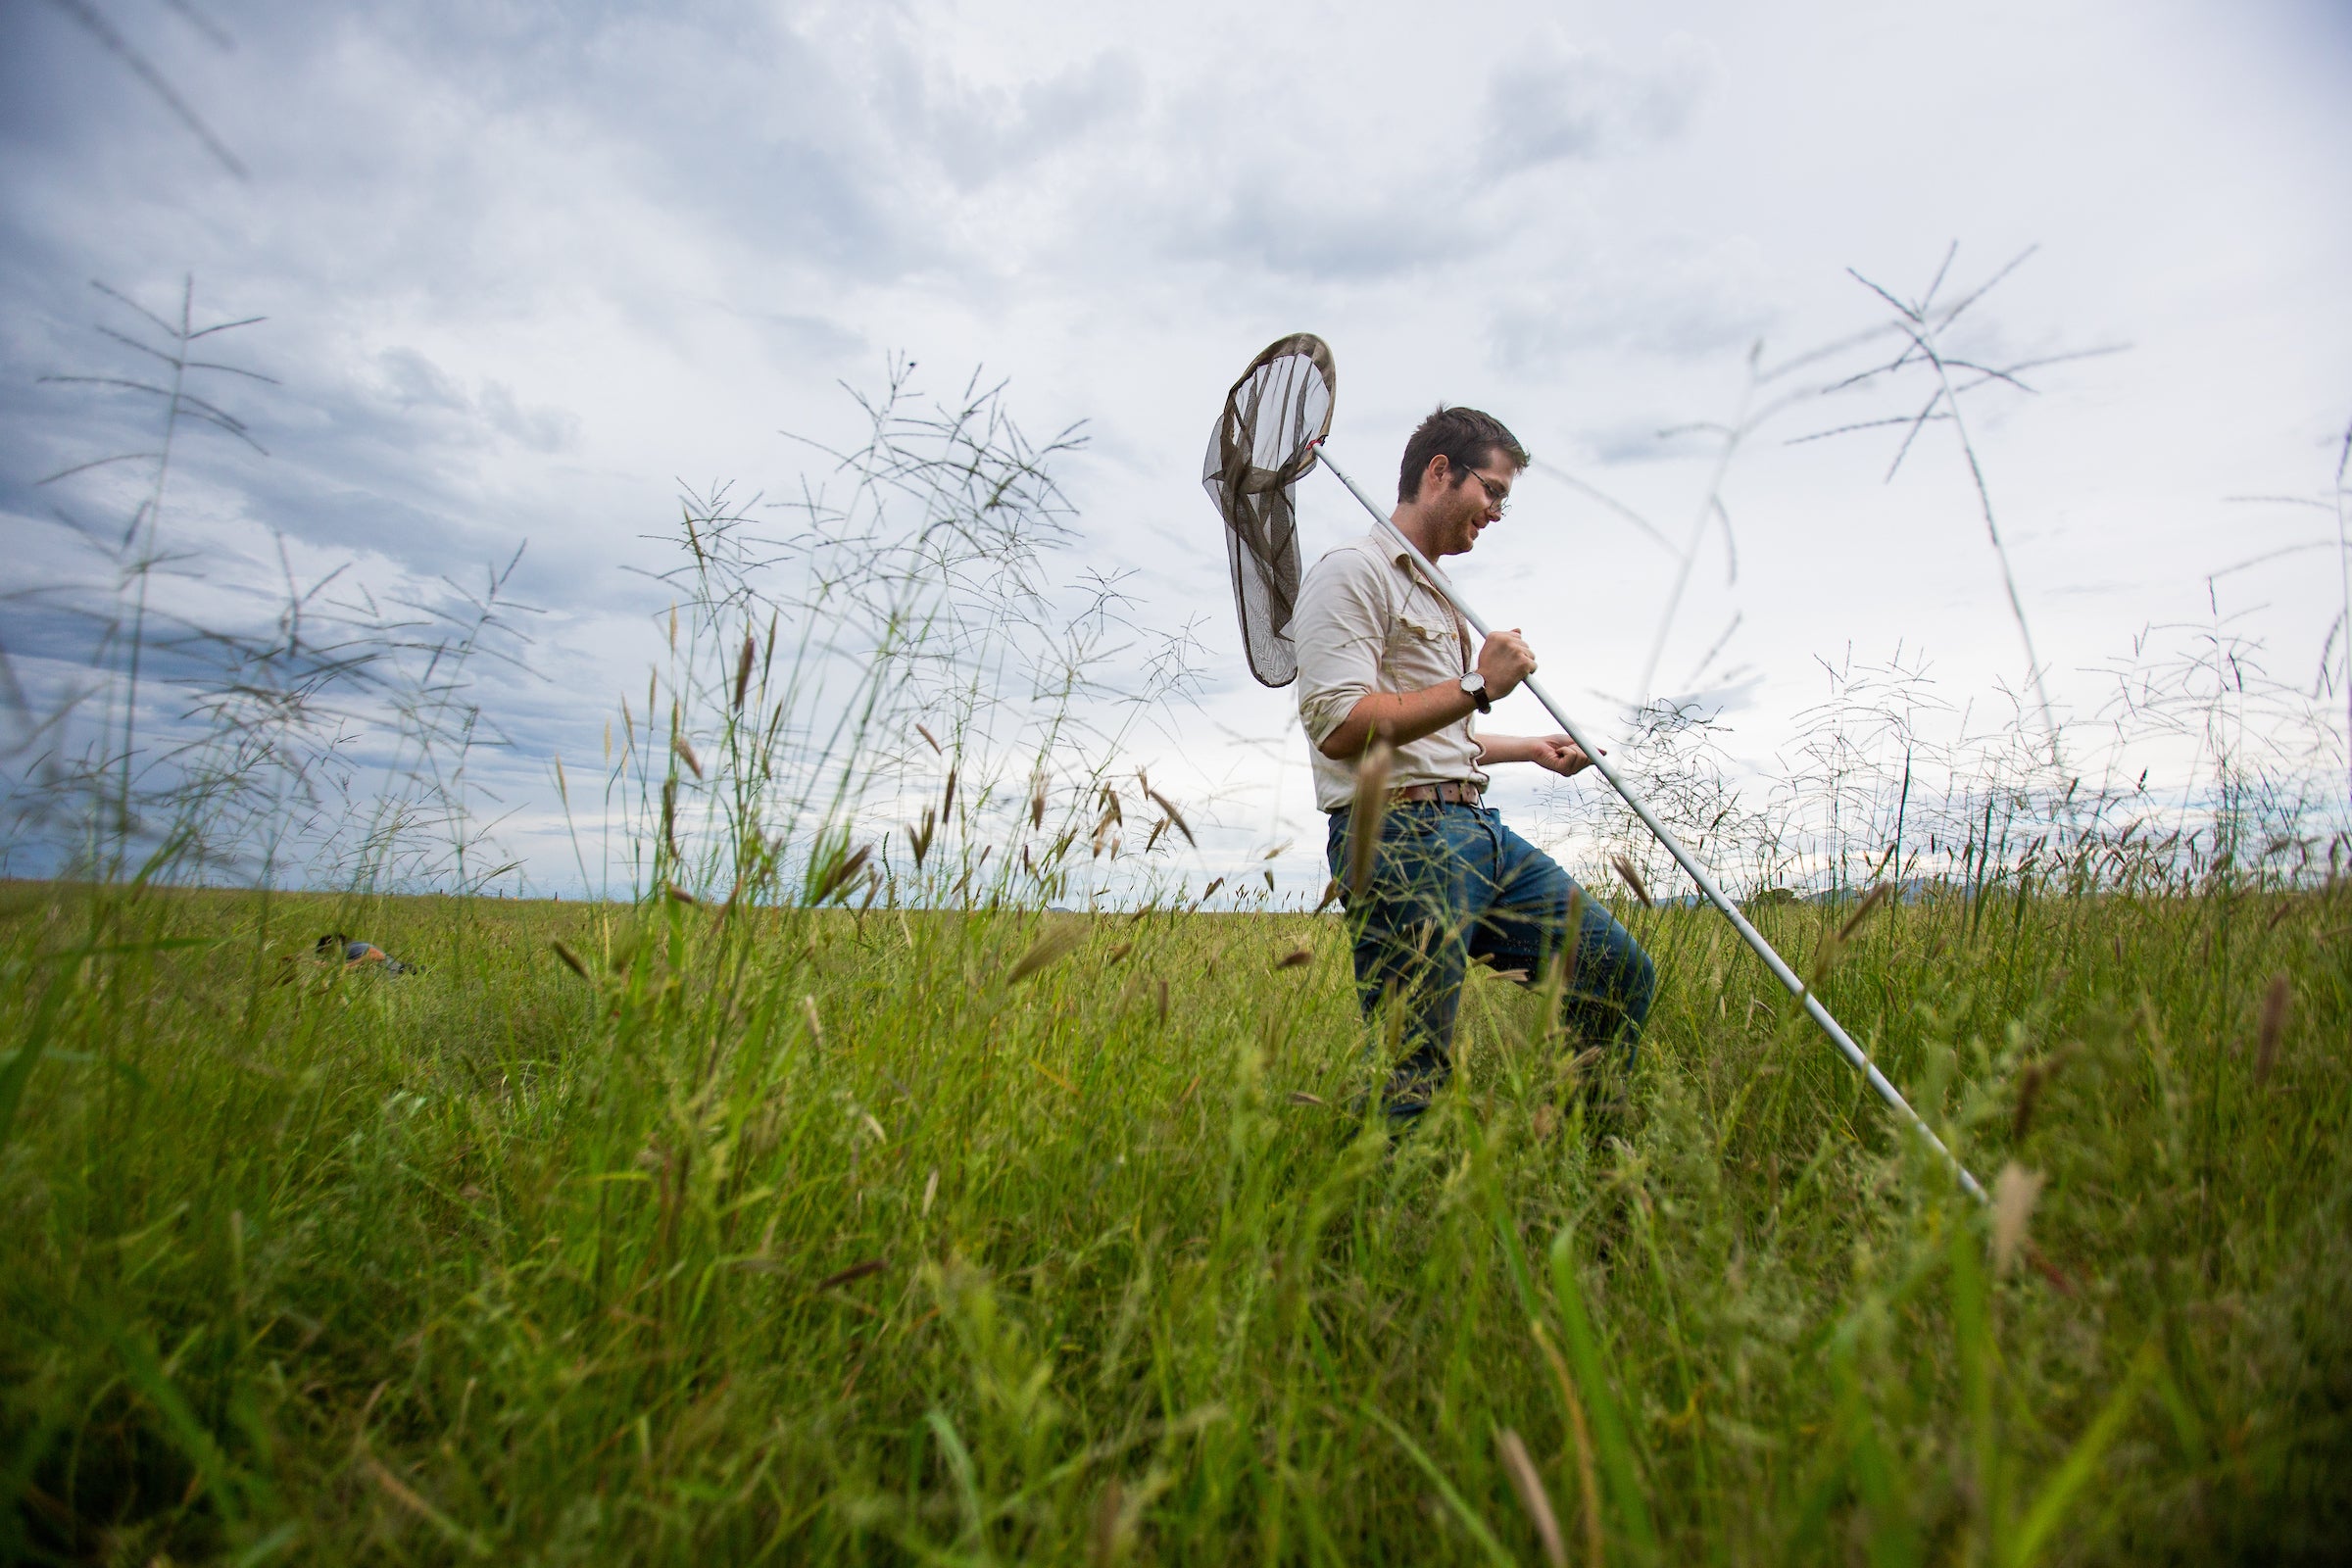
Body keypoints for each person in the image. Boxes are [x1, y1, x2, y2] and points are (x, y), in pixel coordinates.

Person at [1292, 406, 1654, 1120]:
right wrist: (1480, 685)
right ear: (1439, 473)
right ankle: (1386, 1220)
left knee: (1617, 973)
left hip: (1477, 834)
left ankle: (1576, 1158)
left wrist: (1529, 749)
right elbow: (1341, 728)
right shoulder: (1353, 573)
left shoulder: (1437, 590)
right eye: (1491, 490)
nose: (1495, 511)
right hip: (1398, 840)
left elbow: (1422, 733)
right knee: (1413, 1060)